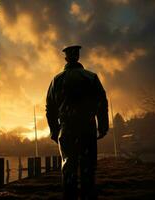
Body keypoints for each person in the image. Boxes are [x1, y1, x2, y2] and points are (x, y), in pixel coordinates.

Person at [46, 45, 109, 200]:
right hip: (87, 127)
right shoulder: (91, 77)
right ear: (78, 57)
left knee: (68, 168)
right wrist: (103, 127)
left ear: (66, 58)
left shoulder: (57, 80)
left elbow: (50, 108)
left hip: (66, 128)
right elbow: (102, 103)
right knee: (88, 167)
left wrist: (54, 130)